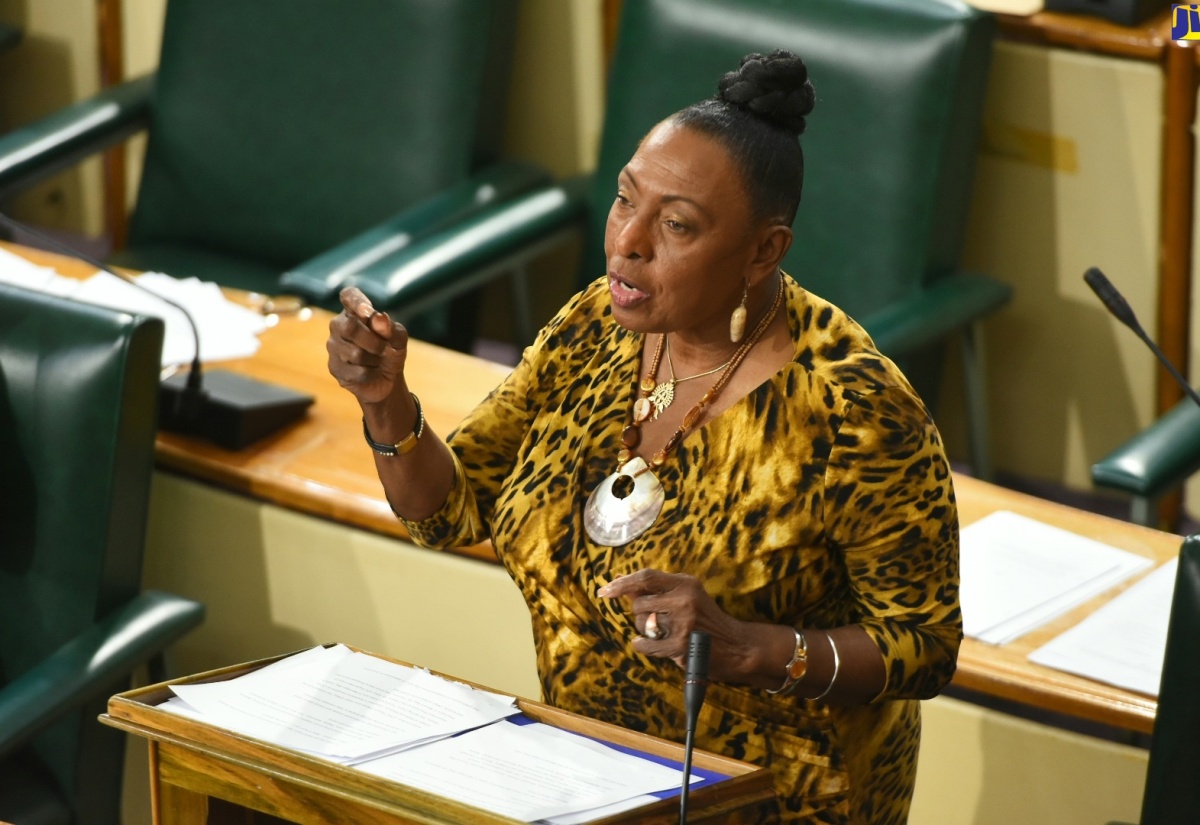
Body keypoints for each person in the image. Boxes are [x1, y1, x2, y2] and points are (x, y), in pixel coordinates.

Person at [327, 49, 959, 825]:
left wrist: (747, 647)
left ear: (765, 251)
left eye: (678, 226)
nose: (628, 241)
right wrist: (386, 402)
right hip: (589, 783)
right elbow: (448, 512)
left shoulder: (853, 406)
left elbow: (924, 645)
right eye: (625, 200)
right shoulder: (598, 323)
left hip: (784, 802)